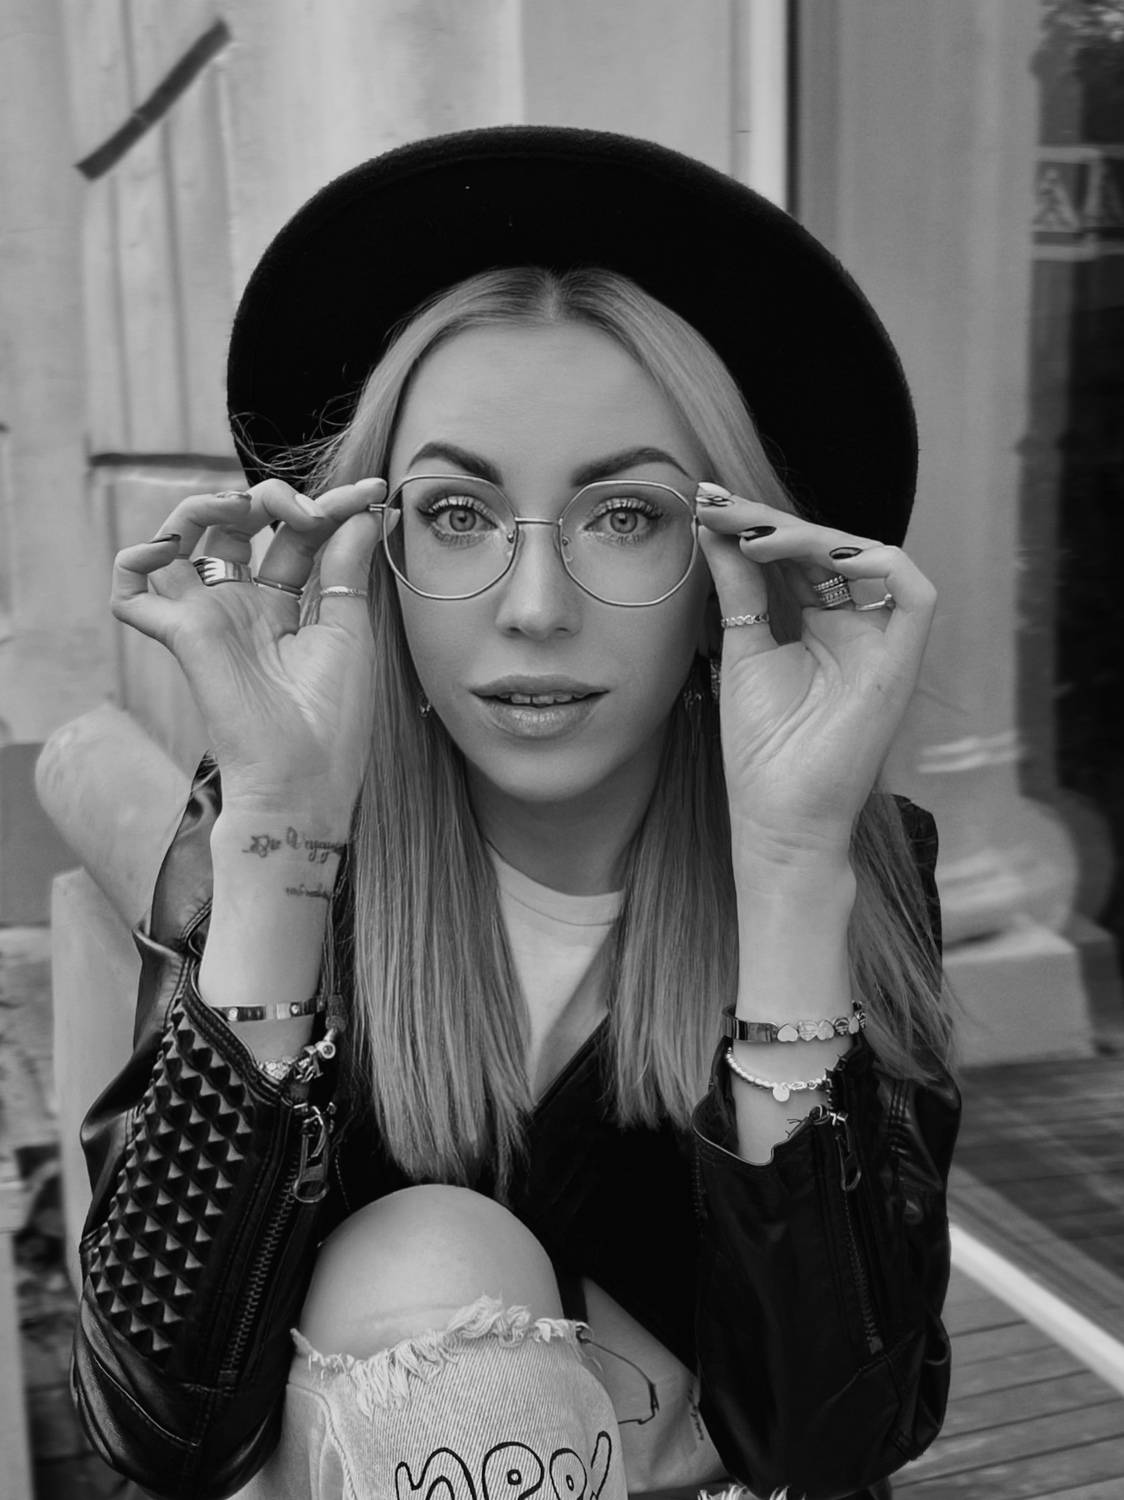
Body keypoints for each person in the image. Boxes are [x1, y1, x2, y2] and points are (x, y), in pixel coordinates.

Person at [71, 127, 960, 1500]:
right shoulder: (270, 833)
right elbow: (158, 1427)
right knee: (433, 1256)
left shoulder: (856, 857)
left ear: (728, 566)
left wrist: (791, 868)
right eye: (458, 512)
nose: (535, 610)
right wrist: (281, 836)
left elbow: (834, 1444)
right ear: (376, 555)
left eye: (625, 517)